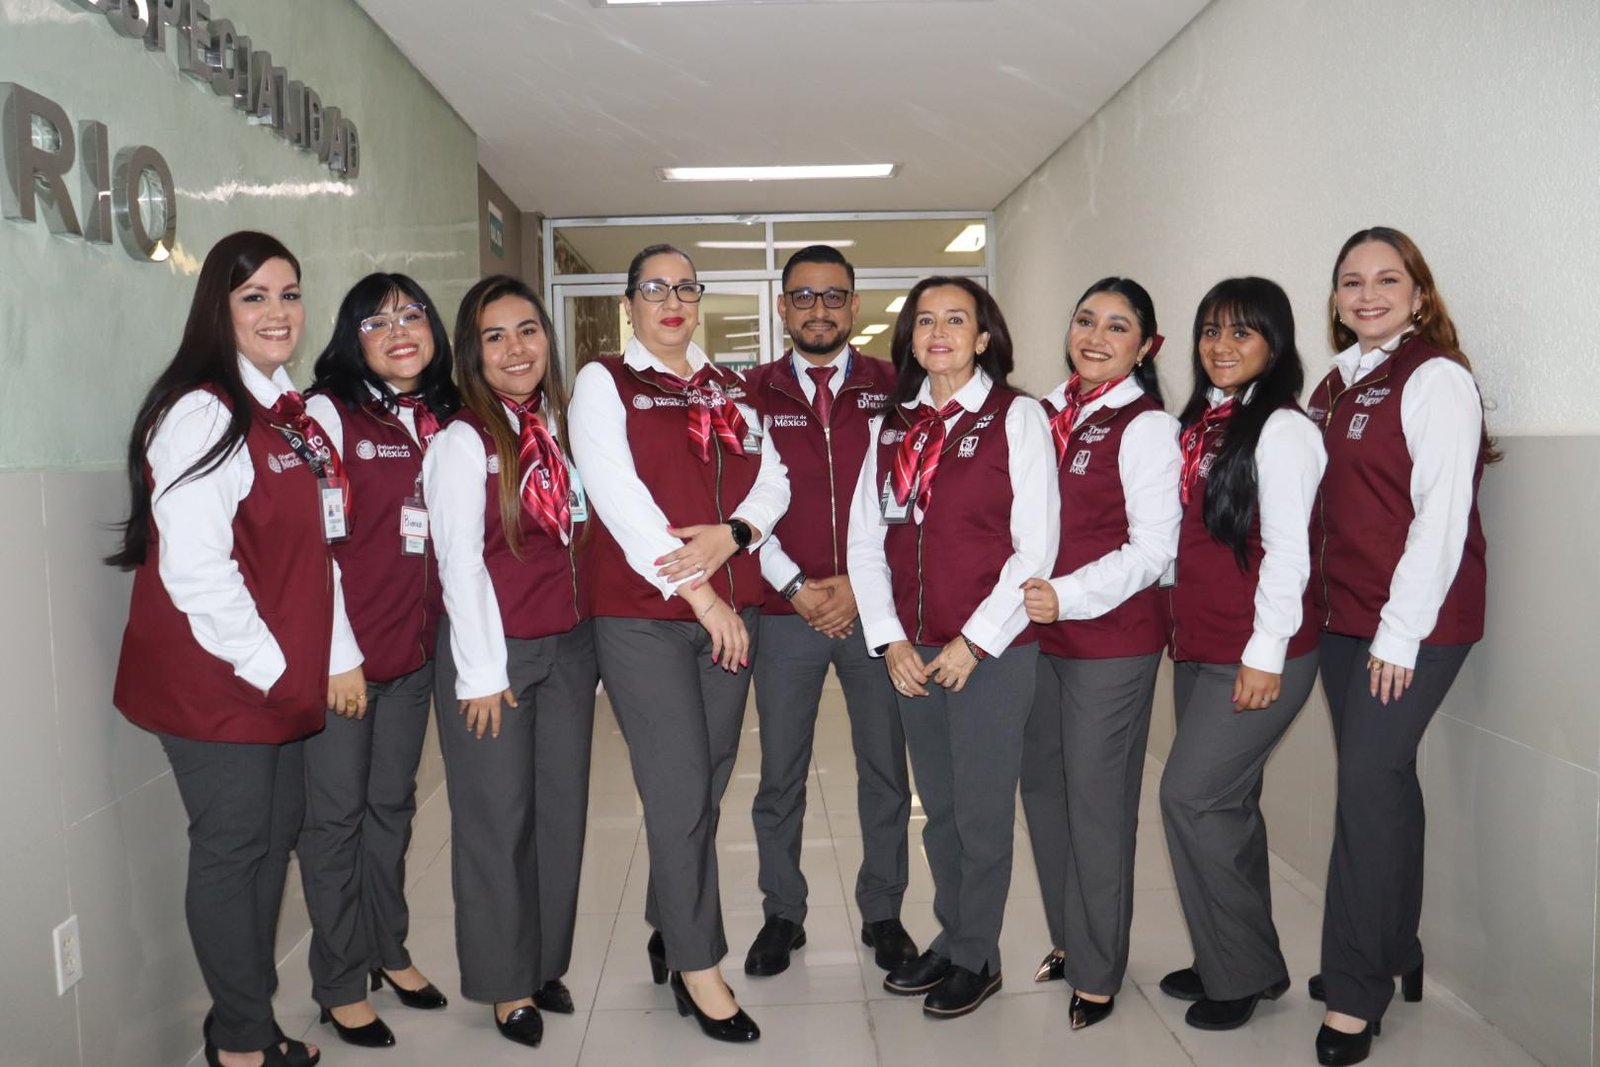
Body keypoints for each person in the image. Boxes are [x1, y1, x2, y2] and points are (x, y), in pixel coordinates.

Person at [108, 230, 350, 1067]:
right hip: (220, 681)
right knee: (235, 849)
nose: (277, 311)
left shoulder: (284, 410)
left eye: (289, 293)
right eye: (254, 297)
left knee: (270, 841)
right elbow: (197, 570)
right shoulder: (204, 411)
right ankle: (242, 1043)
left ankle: (243, 1022)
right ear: (218, 307)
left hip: (271, 678)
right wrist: (276, 669)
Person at [568, 243, 789, 1043]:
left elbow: (776, 479)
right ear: (628, 303)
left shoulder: (730, 386)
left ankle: (670, 923)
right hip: (648, 616)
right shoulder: (604, 382)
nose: (672, 301)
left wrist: (737, 532)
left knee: (706, 782)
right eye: (655, 288)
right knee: (678, 789)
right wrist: (703, 595)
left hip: (734, 609)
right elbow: (621, 503)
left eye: (686, 288)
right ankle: (700, 967)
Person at [1306, 228, 1492, 1067]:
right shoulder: (1336, 382)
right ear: (1336, 297)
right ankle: (1393, 946)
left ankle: (1354, 991)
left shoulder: (1435, 377)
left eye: (1388, 279)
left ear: (1418, 293)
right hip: (1345, 619)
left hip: (1413, 624)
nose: (1368, 294)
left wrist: (1399, 632)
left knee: (1364, 790)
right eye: (1352, 281)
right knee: (1382, 787)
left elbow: (1441, 515)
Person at [848, 275, 1058, 1019]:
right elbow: (865, 542)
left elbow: (1036, 546)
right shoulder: (892, 427)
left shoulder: (1016, 416)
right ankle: (954, 933)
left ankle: (978, 955)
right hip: (916, 649)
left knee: (981, 811)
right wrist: (890, 639)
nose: (939, 333)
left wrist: (976, 640)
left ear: (983, 337)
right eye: (925, 321)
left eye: (956, 320)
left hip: (989, 651)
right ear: (909, 338)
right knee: (938, 808)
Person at [423, 274, 598, 1049]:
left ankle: (543, 960)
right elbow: (459, 562)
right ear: (473, 352)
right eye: (495, 337)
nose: (515, 348)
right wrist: (482, 673)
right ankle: (506, 981)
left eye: (527, 330)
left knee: (559, 813)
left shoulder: (558, 428)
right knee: (498, 819)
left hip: (569, 648)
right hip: (496, 655)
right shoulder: (463, 440)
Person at [1155, 277, 1326, 1032]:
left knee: (1190, 798)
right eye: (1210, 331)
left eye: (1240, 332)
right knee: (1229, 808)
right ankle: (1238, 954)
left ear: (1273, 343)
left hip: (1256, 650)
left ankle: (1240, 971)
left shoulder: (1283, 429)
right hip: (1202, 643)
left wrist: (1265, 654)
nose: (1220, 346)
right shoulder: (1206, 422)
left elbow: (1289, 552)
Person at [741, 245, 916, 979]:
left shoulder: (896, 385)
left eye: (834, 295)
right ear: (783, 307)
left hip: (875, 612)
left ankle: (884, 911)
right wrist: (795, 585)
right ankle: (783, 912)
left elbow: (914, 490)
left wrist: (859, 586)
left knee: (885, 769)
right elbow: (737, 502)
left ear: (855, 305)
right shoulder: (749, 392)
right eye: (805, 297)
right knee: (781, 773)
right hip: (787, 612)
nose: (820, 309)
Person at [296, 273, 458, 1049]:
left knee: (392, 809)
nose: (398, 331)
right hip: (345, 662)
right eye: (376, 320)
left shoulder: (446, 416)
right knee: (335, 820)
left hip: (413, 654)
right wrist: (336, 654)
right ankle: (338, 982)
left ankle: (387, 950)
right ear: (349, 337)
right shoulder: (328, 413)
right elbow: (311, 544)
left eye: (411, 314)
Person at [1016, 277, 1180, 1030]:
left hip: (1109, 641)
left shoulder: (1145, 427)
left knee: (1097, 803)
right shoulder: (1044, 414)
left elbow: (1153, 548)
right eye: (1086, 320)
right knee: (1046, 794)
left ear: (1144, 347)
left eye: (1118, 327)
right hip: (1035, 638)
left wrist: (1068, 594)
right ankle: (1069, 938)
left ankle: (1099, 968)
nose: (1096, 336)